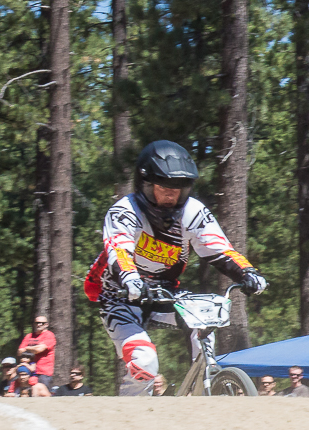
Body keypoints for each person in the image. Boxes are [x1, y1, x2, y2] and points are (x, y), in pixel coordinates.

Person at [82, 140, 268, 387]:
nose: (171, 194)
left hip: (163, 292)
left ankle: (205, 386)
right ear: (146, 185)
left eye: (179, 188)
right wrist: (130, 278)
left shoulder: (193, 211)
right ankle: (134, 417)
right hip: (120, 295)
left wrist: (248, 272)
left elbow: (218, 248)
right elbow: (120, 250)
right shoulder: (125, 210)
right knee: (145, 361)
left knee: (205, 320)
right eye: (164, 187)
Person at [17, 315, 56, 388]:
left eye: (42, 323)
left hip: (43, 373)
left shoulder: (49, 335)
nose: (39, 324)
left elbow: (39, 350)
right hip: (28, 372)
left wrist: (27, 348)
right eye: (37, 323)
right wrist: (35, 347)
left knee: (42, 395)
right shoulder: (29, 336)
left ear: (46, 324)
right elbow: (20, 352)